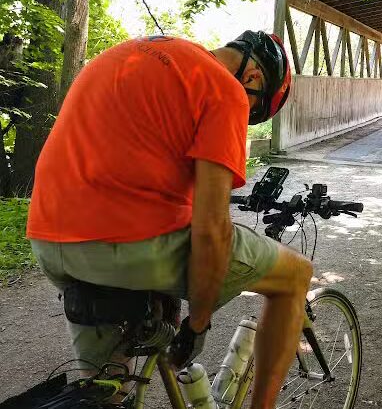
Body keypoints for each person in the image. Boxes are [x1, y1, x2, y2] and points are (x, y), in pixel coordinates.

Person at [26, 31, 310, 409]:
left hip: (49, 240)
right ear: (254, 78)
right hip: (125, 246)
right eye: (253, 110)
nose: (245, 116)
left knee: (104, 393)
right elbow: (211, 231)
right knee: (296, 275)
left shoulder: (129, 52)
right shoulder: (223, 88)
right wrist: (198, 325)